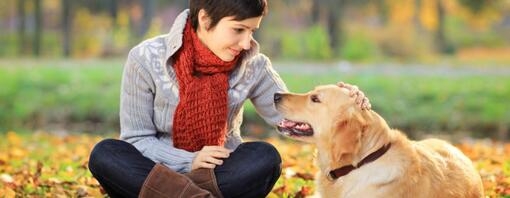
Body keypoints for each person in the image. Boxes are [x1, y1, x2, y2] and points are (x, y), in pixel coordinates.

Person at [88, 0, 371, 197]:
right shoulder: (147, 59)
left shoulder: (254, 66)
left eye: (252, 31)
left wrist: (342, 104)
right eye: (238, 30)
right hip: (153, 171)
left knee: (264, 158)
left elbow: (290, 118)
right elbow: (137, 139)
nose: (247, 43)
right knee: (107, 155)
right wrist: (189, 160)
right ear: (204, 19)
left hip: (217, 176)